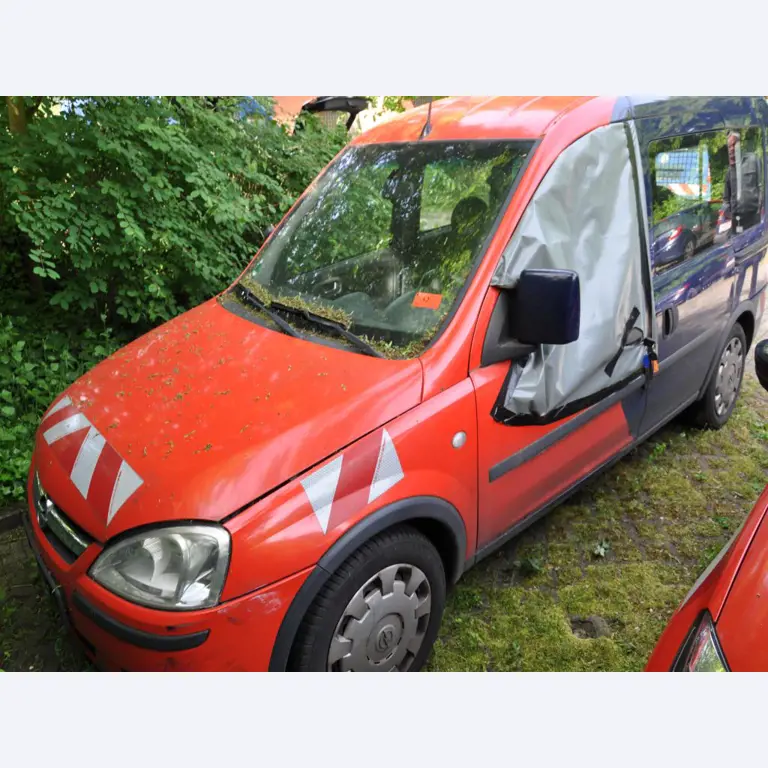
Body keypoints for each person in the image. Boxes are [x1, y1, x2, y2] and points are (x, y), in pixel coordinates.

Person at [723, 130, 761, 232]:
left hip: (754, 215)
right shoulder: (729, 172)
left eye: (734, 145)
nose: (731, 149)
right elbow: (726, 200)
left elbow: (762, 186)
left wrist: (761, 209)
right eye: (729, 146)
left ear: (740, 144)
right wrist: (725, 217)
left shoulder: (753, 160)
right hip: (738, 220)